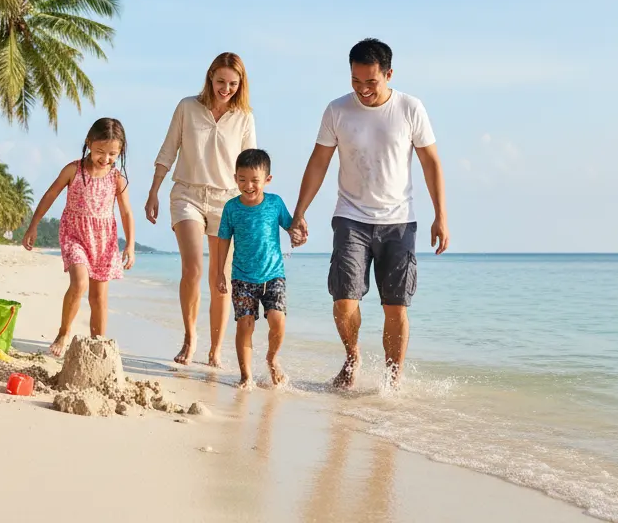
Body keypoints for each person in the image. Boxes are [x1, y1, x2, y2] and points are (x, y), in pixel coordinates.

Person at [290, 39, 449, 389]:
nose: (362, 89)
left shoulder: (410, 108)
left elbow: (430, 162)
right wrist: (300, 211)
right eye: (355, 81)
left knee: (396, 308)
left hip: (399, 221)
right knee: (344, 300)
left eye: (371, 82)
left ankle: (393, 381)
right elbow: (319, 161)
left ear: (388, 74)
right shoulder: (337, 111)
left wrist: (441, 215)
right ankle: (352, 356)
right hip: (350, 217)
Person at [145, 53, 256, 367]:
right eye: (220, 81)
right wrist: (153, 190)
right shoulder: (187, 107)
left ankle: (215, 349)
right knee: (192, 269)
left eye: (233, 84)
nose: (226, 89)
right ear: (210, 77)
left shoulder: (244, 116)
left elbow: (250, 164)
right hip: (187, 196)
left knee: (220, 278)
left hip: (228, 201)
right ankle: (190, 338)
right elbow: (168, 149)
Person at [23, 118, 136, 357]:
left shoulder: (117, 179)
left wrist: (131, 245)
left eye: (113, 154)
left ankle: (98, 344)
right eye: (100, 152)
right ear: (88, 143)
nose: (105, 158)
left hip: (104, 240)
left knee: (98, 297)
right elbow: (49, 195)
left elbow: (126, 212)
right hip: (75, 235)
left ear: (121, 151)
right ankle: (64, 332)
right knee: (80, 283)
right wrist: (33, 226)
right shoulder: (73, 170)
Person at [215, 148, 294, 389]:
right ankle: (246, 375)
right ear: (235, 177)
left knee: (278, 320)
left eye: (254, 181)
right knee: (245, 324)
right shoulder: (231, 208)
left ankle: (272, 358)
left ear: (267, 180)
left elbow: (291, 226)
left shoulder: (275, 203)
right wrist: (220, 272)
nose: (248, 186)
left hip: (273, 275)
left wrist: (298, 231)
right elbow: (223, 240)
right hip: (242, 277)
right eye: (242, 180)